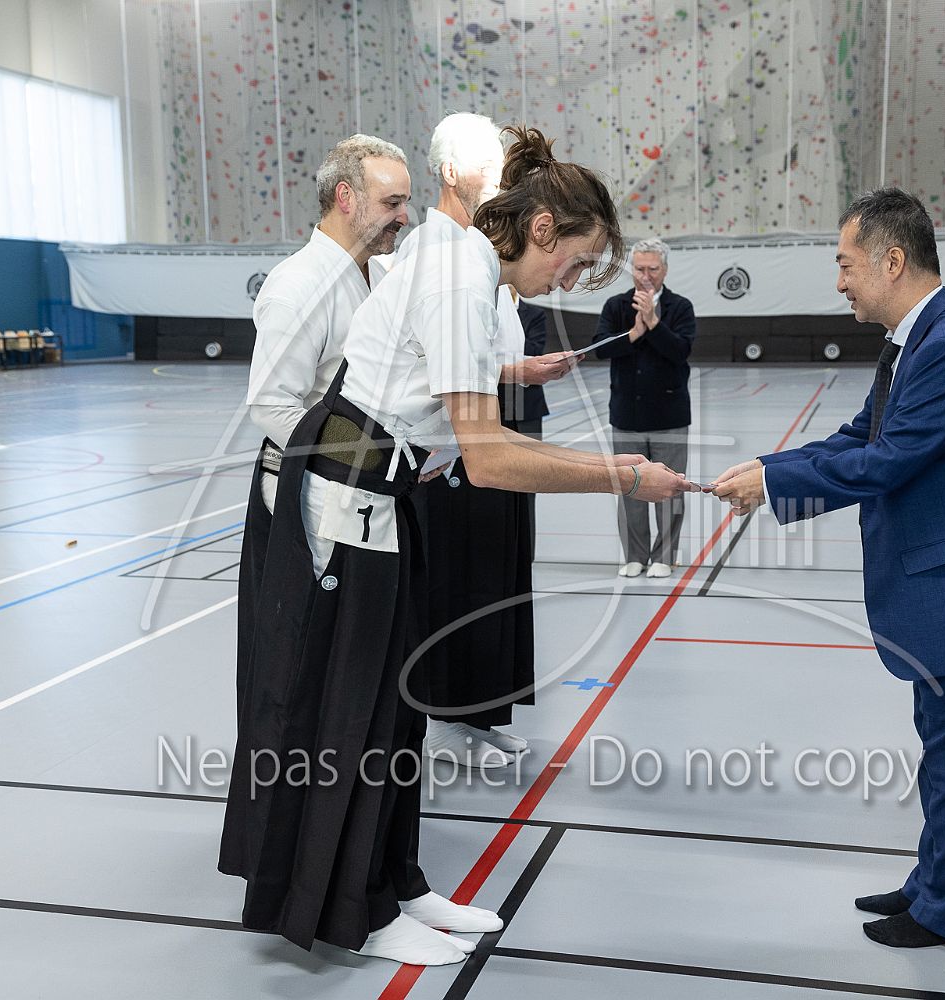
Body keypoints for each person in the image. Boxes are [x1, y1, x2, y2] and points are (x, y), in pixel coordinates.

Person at [220, 124, 693, 968]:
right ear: (541, 228)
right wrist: (620, 475)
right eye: (577, 262)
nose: (571, 281)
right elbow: (491, 457)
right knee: (358, 722)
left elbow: (466, 428)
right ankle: (358, 911)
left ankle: (398, 880)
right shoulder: (456, 274)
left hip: (391, 498)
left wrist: (610, 467)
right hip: (348, 506)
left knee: (399, 717)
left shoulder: (464, 267)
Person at [710, 188, 945, 949]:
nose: (840, 281)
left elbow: (888, 461)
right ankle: (932, 883)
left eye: (846, 264)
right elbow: (855, 437)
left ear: (892, 260)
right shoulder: (916, 339)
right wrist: (769, 468)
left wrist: (773, 485)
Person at [387, 113, 578, 769]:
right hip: (444, 442)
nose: (502, 182)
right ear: (451, 173)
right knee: (455, 579)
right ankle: (442, 717)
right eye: (489, 169)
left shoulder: (483, 253)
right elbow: (438, 363)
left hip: (490, 418)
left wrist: (517, 376)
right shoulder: (435, 253)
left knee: (497, 574)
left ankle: (479, 714)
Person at [227, 132, 410, 739]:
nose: (404, 216)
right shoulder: (299, 286)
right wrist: (367, 459)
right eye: (392, 203)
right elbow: (272, 406)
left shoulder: (375, 274)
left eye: (405, 201)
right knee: (301, 672)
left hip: (361, 497)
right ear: (346, 198)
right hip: (309, 502)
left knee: (350, 669)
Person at [589, 238, 697, 578]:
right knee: (629, 488)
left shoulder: (680, 307)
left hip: (669, 417)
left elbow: (680, 351)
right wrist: (635, 332)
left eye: (653, 269)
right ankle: (635, 555)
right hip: (627, 416)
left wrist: (653, 323)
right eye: (639, 269)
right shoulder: (616, 306)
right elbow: (600, 348)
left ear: (665, 270)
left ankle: (664, 555)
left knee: (671, 488)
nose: (646, 276)